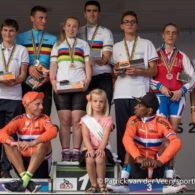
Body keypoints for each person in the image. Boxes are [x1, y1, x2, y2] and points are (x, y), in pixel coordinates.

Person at [108, 92, 186, 193]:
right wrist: (138, 157)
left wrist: (160, 161)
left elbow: (176, 142)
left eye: (140, 105)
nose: (136, 107)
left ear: (149, 110)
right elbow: (126, 139)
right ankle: (123, 182)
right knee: (130, 145)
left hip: (157, 165)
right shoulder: (133, 120)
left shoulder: (161, 121)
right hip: (139, 166)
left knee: (169, 143)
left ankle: (169, 181)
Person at [112, 10, 158, 179]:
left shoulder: (147, 44)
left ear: (137, 25)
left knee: (140, 134)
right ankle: (124, 174)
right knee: (124, 134)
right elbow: (113, 70)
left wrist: (139, 71)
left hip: (140, 94)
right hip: (121, 94)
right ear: (121, 26)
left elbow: (154, 70)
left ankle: (142, 174)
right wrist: (117, 70)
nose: (129, 24)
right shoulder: (116, 47)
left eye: (132, 21)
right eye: (126, 21)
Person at [50, 17, 92, 161]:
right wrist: (53, 81)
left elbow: (88, 65)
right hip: (62, 86)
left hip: (79, 86)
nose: (71, 29)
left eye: (74, 26)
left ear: (77, 28)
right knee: (65, 121)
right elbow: (53, 66)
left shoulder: (84, 44)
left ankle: (76, 153)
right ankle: (65, 153)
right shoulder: (57, 45)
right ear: (64, 27)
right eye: (68, 25)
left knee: (77, 120)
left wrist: (88, 80)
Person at [0, 91, 57, 192]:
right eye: (37, 104)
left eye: (42, 104)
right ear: (27, 104)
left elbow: (53, 131)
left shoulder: (45, 118)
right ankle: (26, 180)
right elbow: (2, 132)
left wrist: (32, 143)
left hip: (40, 165)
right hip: (22, 166)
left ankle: (24, 181)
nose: (41, 107)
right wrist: (12, 142)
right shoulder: (19, 119)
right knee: (7, 142)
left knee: (44, 141)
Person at [150, 23, 195, 132]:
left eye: (174, 33)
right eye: (168, 33)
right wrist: (160, 86)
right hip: (160, 96)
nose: (171, 35)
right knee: (161, 131)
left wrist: (182, 90)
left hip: (177, 97)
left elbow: (192, 78)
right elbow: (147, 76)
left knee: (172, 132)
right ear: (163, 35)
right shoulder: (154, 54)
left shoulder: (182, 56)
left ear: (177, 36)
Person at [0, 19, 29, 178]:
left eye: (11, 31)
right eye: (5, 30)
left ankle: (5, 169)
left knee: (9, 136)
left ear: (15, 33)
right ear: (1, 31)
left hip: (14, 97)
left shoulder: (21, 50)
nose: (7, 34)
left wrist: (15, 80)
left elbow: (23, 74)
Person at [16, 5, 57, 116]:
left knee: (44, 117)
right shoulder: (20, 38)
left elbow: (56, 63)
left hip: (45, 82)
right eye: (40, 18)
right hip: (26, 82)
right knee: (25, 118)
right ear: (32, 18)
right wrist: (28, 67)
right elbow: (15, 60)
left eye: (45, 18)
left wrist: (49, 76)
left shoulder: (53, 39)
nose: (44, 21)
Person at [78, 0, 114, 107]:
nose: (92, 13)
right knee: (85, 113)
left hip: (102, 75)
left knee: (104, 111)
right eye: (89, 11)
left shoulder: (106, 32)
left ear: (99, 13)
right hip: (83, 77)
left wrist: (94, 57)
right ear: (84, 14)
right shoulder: (77, 31)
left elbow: (105, 58)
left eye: (95, 11)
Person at [80, 89, 114, 193]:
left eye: (101, 101)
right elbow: (85, 136)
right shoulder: (85, 119)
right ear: (90, 102)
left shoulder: (107, 119)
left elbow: (105, 137)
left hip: (102, 148)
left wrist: (101, 148)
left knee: (99, 159)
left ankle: (101, 184)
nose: (98, 104)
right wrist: (90, 149)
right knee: (90, 159)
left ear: (105, 103)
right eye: (95, 101)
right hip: (89, 148)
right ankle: (93, 185)